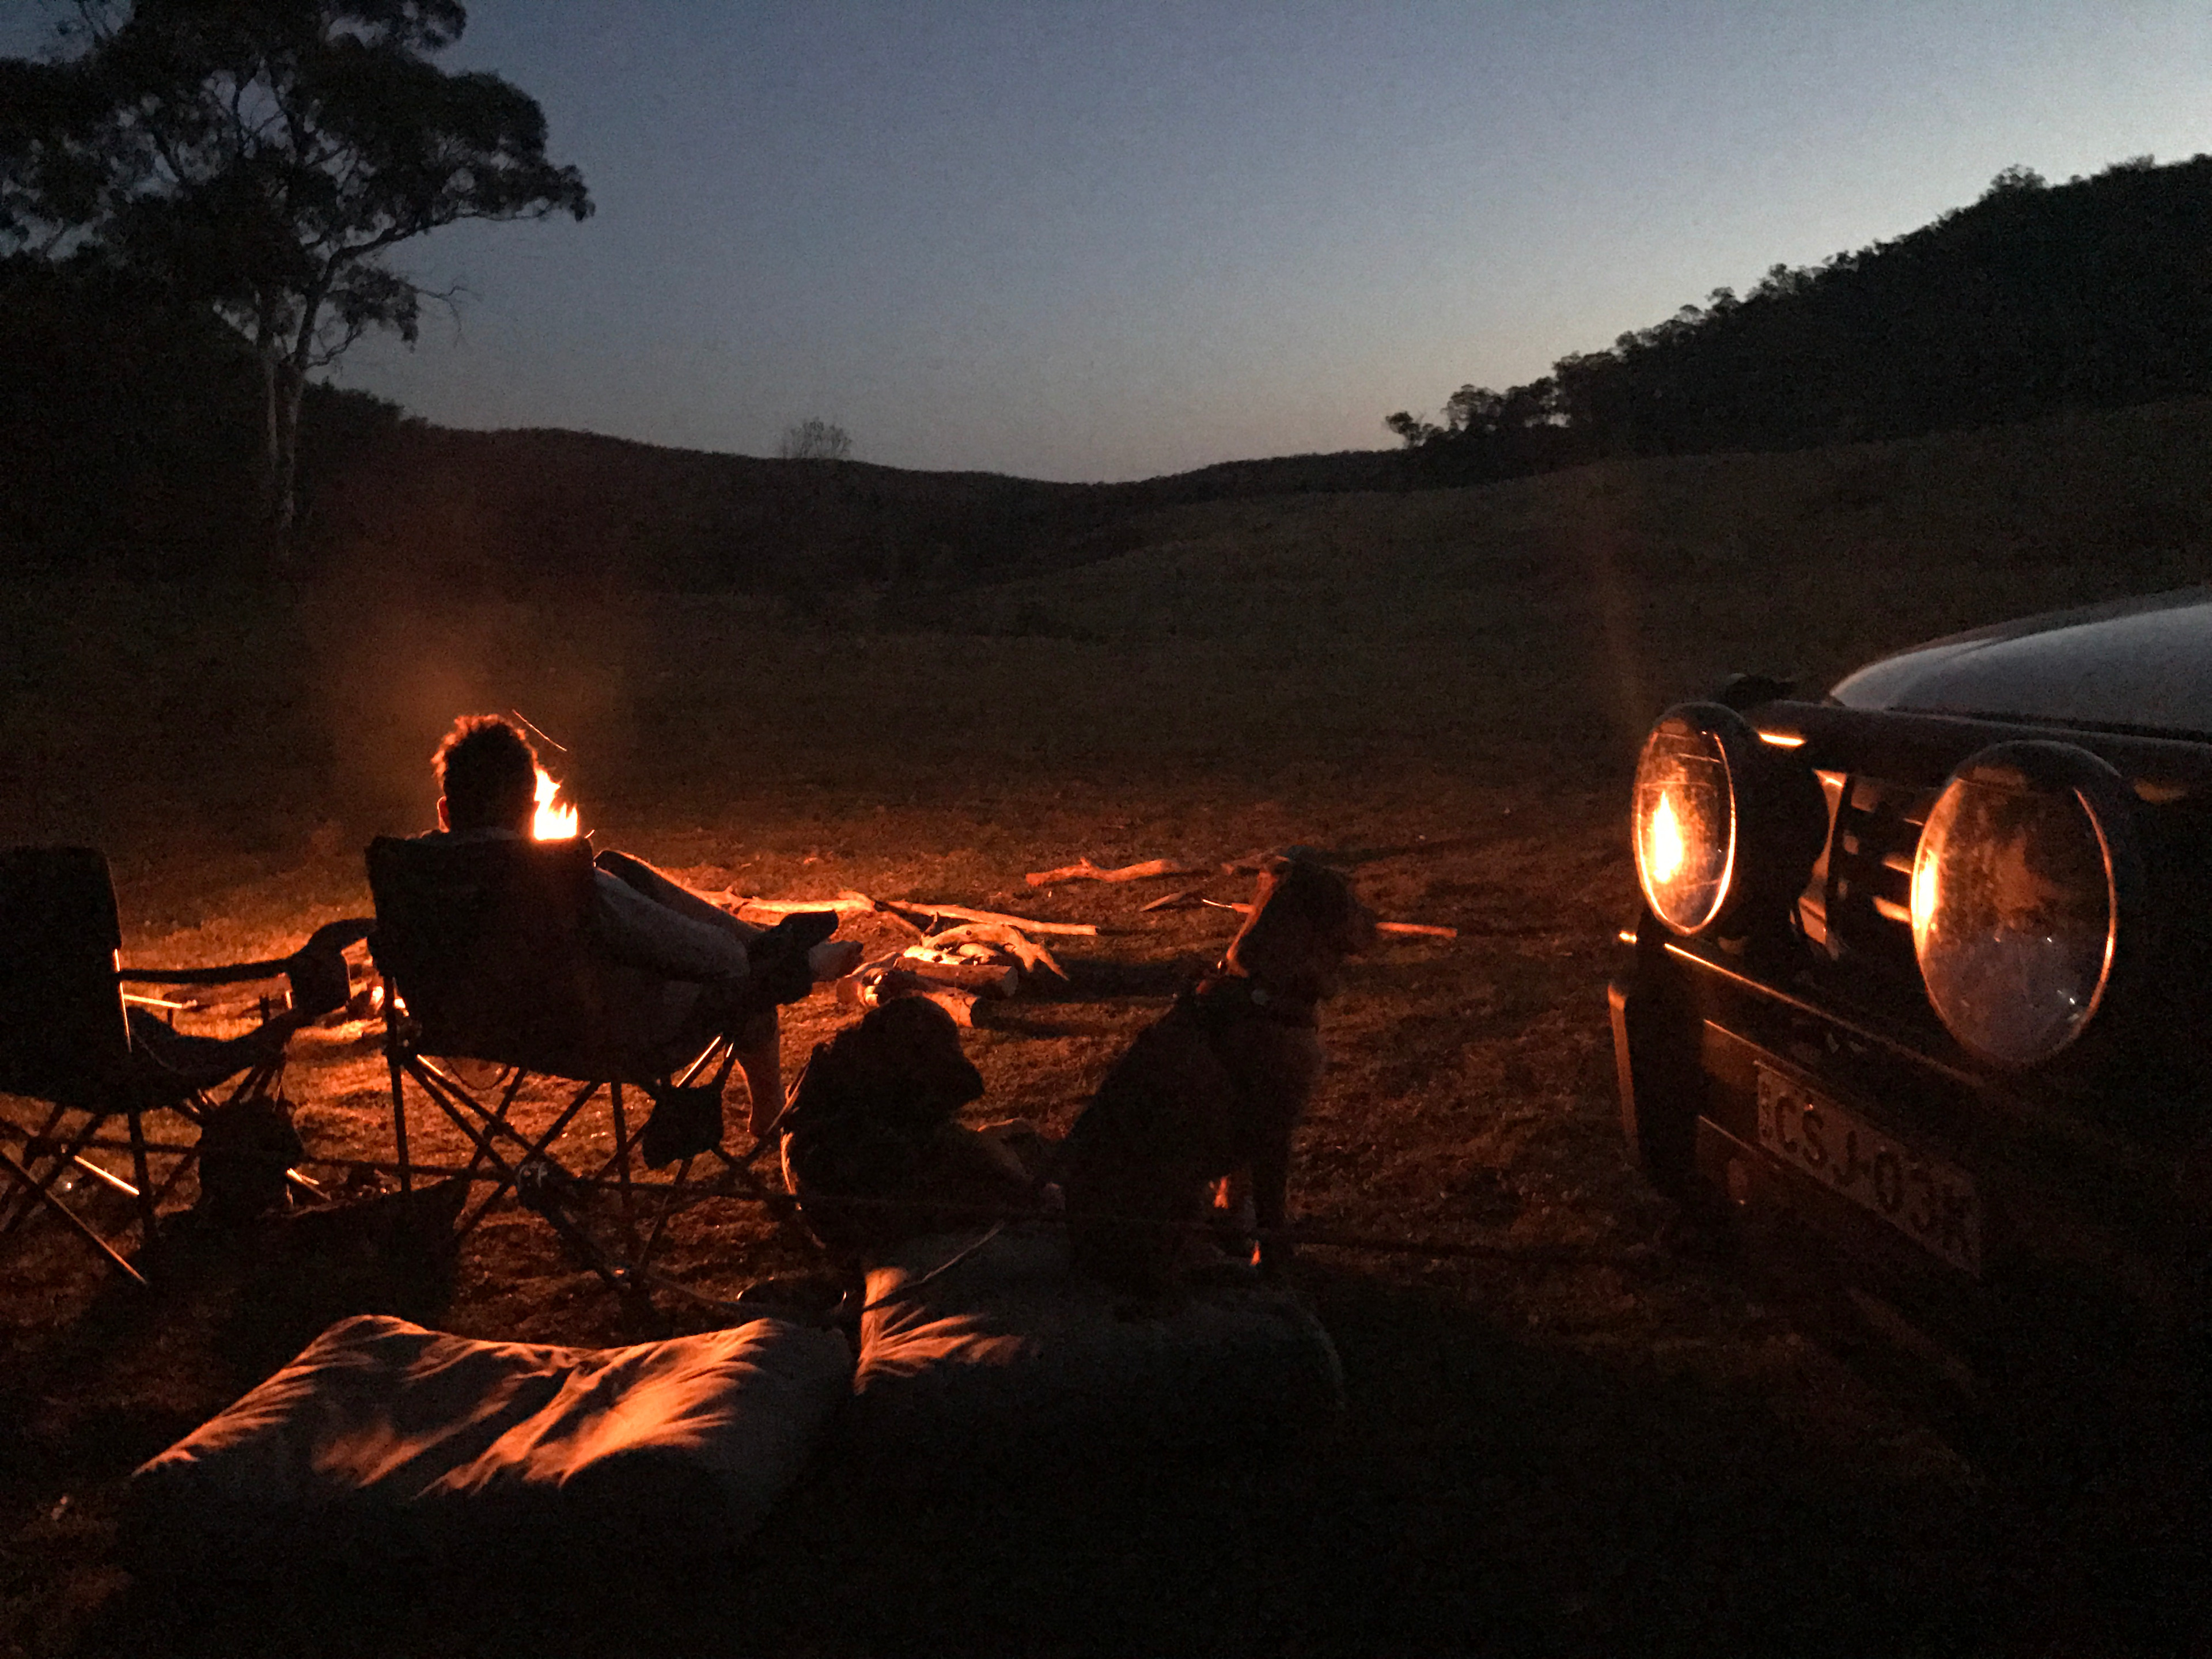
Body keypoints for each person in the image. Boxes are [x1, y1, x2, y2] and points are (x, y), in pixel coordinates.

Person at [425, 714, 860, 1133]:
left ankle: (781, 949)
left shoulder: (417, 878)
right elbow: (712, 955)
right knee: (748, 974)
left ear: (446, 811)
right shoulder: (558, 883)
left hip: (484, 1029)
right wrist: (743, 957)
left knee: (616, 869)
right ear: (533, 807)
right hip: (600, 1032)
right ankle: (781, 1005)